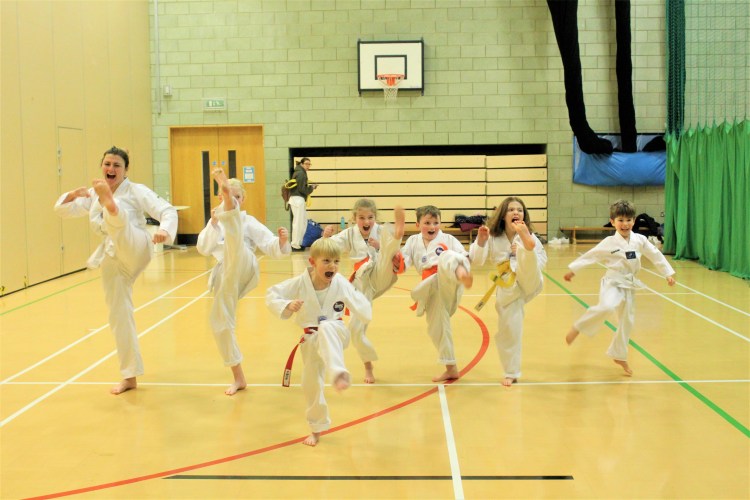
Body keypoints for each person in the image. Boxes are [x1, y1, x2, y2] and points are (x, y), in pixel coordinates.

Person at [53, 146, 178, 394]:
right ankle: (129, 376)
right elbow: (63, 210)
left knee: (119, 221)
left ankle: (112, 208)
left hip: (136, 244)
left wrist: (164, 230)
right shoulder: (92, 193)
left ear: (125, 170)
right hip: (113, 256)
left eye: (117, 165)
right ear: (102, 166)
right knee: (119, 315)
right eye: (107, 164)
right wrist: (72, 194)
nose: (111, 169)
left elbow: (167, 210)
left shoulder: (136, 190)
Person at [266, 238, 371, 447]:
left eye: (336, 261)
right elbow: (272, 294)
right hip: (311, 339)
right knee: (310, 384)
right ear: (313, 262)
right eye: (326, 261)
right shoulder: (300, 283)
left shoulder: (340, 283)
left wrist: (361, 317)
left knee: (326, 327)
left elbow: (362, 306)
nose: (332, 266)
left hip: (336, 332)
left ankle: (338, 372)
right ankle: (316, 428)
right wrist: (287, 304)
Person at [197, 168, 291, 395]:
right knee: (219, 322)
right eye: (228, 196)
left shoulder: (248, 221)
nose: (235, 200)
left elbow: (269, 244)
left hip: (245, 263)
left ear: (243, 198)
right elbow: (203, 248)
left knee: (235, 237)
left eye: (236, 197)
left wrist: (281, 242)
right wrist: (213, 224)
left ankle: (230, 216)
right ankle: (238, 377)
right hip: (226, 273)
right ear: (220, 197)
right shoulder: (214, 223)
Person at [564, 199, 676, 375]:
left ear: (634, 221)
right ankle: (579, 327)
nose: (625, 224)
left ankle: (619, 355)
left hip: (629, 284)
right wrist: (573, 270)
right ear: (612, 221)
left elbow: (655, 255)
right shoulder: (610, 242)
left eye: (629, 220)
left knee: (627, 321)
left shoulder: (640, 240)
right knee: (607, 306)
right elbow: (592, 255)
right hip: (613, 282)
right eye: (621, 220)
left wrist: (667, 273)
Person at [321, 200, 406, 383]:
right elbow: (328, 249)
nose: (366, 222)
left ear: (375, 217)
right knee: (356, 330)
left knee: (386, 249)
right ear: (354, 218)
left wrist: (380, 246)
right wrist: (325, 238)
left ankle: (398, 234)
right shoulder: (349, 234)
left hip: (380, 273)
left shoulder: (381, 231)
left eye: (370, 217)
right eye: (361, 218)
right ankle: (368, 366)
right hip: (361, 281)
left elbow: (398, 257)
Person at [470, 197, 547, 387]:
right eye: (511, 210)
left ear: (524, 215)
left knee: (525, 252)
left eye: (519, 210)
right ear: (503, 215)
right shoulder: (493, 237)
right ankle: (511, 372)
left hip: (529, 279)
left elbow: (542, 261)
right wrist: (480, 241)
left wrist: (522, 247)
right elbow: (477, 261)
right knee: (509, 330)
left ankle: (525, 249)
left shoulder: (530, 236)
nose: (516, 212)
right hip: (508, 286)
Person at [401, 205, 473, 383]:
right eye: (427, 223)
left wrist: (464, 264)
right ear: (417, 224)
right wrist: (394, 260)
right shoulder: (412, 241)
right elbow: (403, 263)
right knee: (437, 328)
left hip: (449, 281)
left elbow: (465, 256)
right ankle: (451, 368)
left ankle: (460, 274)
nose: (432, 226)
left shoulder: (448, 239)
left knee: (448, 256)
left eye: (436, 222)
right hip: (429, 287)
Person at [288, 157, 318, 251]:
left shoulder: (300, 172)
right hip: (298, 199)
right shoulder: (301, 173)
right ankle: (295, 245)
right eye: (306, 164)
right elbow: (302, 189)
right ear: (301, 164)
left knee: (302, 222)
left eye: (309, 164)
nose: (308, 166)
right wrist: (312, 188)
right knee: (298, 223)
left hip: (297, 199)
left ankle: (299, 243)